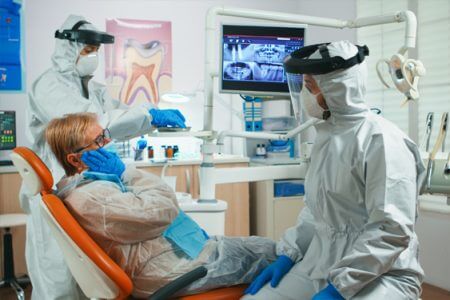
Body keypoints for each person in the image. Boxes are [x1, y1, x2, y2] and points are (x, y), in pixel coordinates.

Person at [243, 40, 425, 299]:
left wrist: (340, 288)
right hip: (321, 264)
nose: (305, 96)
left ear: (336, 87)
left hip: (382, 274)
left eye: (309, 87)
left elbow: (391, 230)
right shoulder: (327, 136)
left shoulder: (381, 141)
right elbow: (316, 211)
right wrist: (289, 254)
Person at [22, 15, 187, 300]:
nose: (93, 57)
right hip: (57, 187)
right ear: (68, 49)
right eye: (87, 50)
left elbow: (112, 118)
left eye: (96, 51)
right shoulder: (49, 85)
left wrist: (152, 117)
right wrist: (147, 115)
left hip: (82, 185)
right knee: (59, 277)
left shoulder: (93, 88)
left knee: (91, 275)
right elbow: (91, 121)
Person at [44, 112, 277, 298]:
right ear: (75, 160)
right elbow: (162, 210)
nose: (108, 143)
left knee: (264, 248)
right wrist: (127, 173)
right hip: (167, 271)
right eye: (98, 141)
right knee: (274, 253)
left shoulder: (94, 185)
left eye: (104, 135)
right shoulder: (92, 198)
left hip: (168, 259)